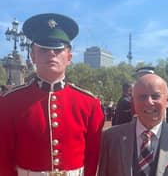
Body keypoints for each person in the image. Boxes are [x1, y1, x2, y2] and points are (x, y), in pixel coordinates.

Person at [0, 13, 104, 176]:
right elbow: (3, 158)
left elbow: (93, 158)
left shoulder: (89, 104)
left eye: (58, 49)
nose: (51, 54)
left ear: (69, 57)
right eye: (43, 49)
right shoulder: (10, 102)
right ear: (33, 56)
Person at [98, 73, 168, 176]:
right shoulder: (110, 138)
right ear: (133, 101)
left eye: (155, 96)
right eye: (142, 97)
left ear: (167, 100)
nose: (149, 102)